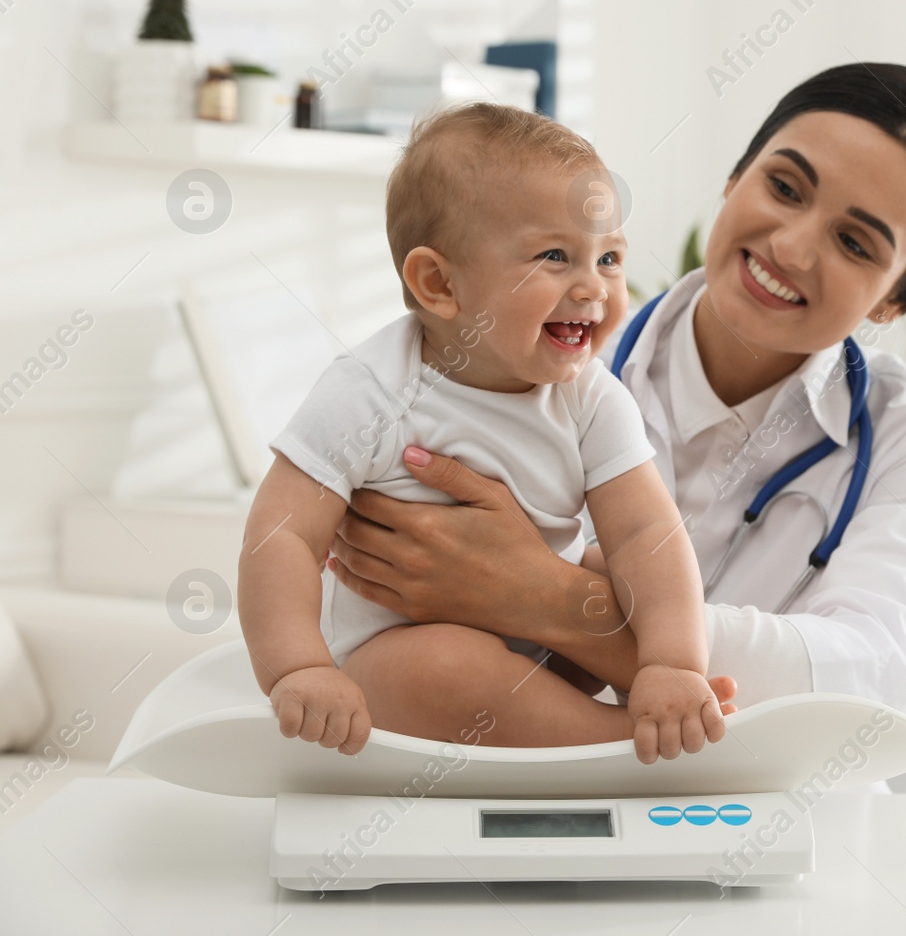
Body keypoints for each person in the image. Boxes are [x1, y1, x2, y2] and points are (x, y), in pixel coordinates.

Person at [328, 62, 906, 723]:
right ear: (735, 178)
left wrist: (543, 597)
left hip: (797, 817)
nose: (791, 247)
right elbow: (388, 590)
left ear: (893, 302)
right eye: (784, 188)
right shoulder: (515, 364)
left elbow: (872, 686)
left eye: (853, 242)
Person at [237, 103, 731, 763]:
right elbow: (282, 533)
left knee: (620, 570)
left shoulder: (588, 398)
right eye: (556, 255)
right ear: (439, 284)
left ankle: (632, 709)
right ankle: (616, 744)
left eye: (609, 257)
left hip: (549, 648)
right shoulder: (371, 391)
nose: (594, 286)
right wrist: (298, 668)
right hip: (402, 664)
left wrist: (673, 662)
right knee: (445, 665)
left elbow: (648, 531)